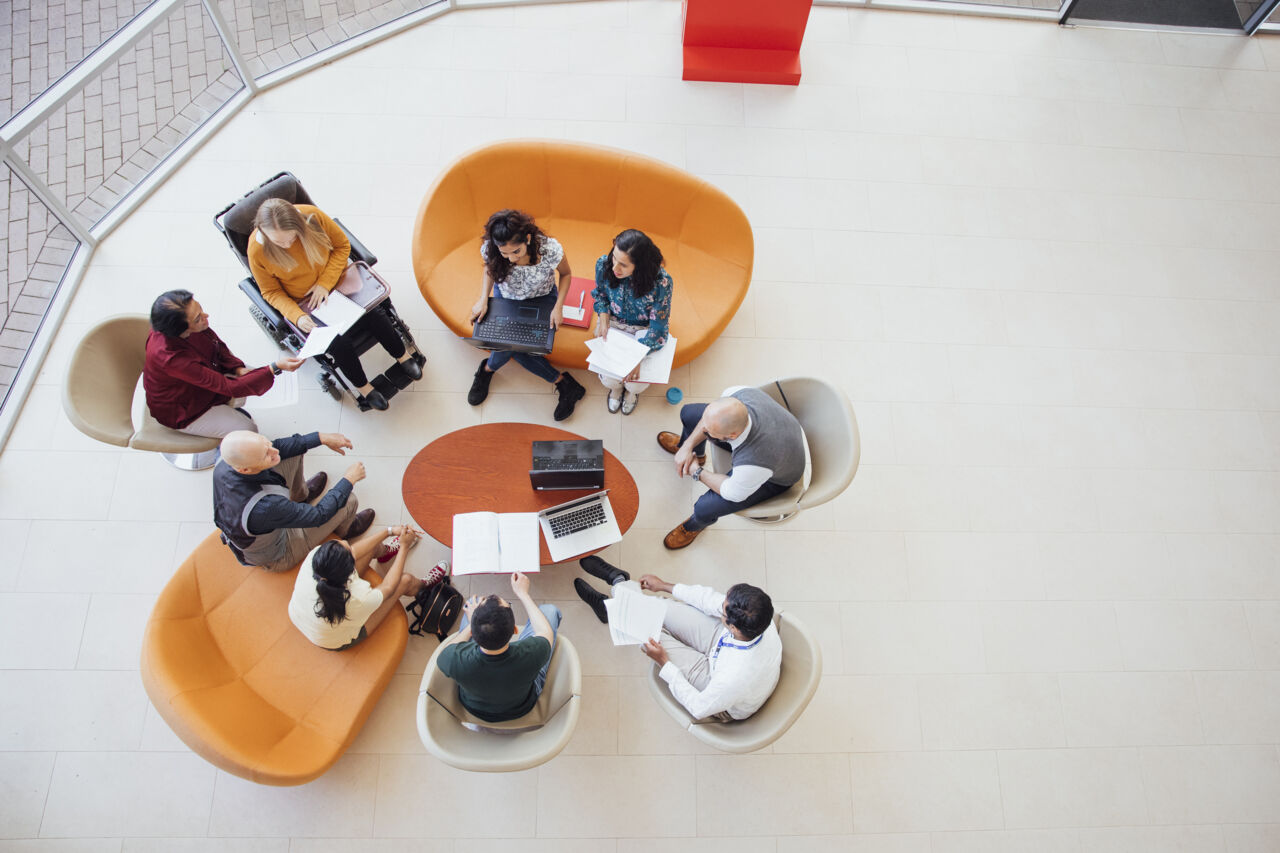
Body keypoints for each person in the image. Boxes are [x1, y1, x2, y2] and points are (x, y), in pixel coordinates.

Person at [248, 198, 422, 411]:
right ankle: (364, 388)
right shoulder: (257, 250)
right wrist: (298, 316)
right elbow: (271, 292)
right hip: (307, 303)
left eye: (291, 238)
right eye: (279, 242)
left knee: (375, 315)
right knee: (337, 344)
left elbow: (342, 247)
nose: (286, 245)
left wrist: (324, 284)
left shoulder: (313, 217)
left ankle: (402, 356)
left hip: (338, 283)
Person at [573, 555, 781, 722]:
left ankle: (609, 610)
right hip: (722, 641)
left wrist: (664, 663)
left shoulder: (732, 679)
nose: (720, 606)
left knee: (646, 635)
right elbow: (707, 599)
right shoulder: (758, 615)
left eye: (723, 610)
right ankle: (619, 584)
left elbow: (699, 707)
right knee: (658, 608)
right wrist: (664, 585)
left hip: (716, 685)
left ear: (733, 626)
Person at [466, 209, 586, 422]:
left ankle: (486, 369)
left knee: (518, 346)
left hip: (542, 299)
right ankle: (564, 383)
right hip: (506, 297)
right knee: (513, 346)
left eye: (516, 251)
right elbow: (489, 269)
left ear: (528, 239)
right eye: (505, 253)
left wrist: (558, 306)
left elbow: (566, 274)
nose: (511, 258)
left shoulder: (550, 249)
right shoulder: (491, 249)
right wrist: (483, 298)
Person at [655, 386, 806, 549]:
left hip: (777, 475)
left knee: (705, 507)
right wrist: (687, 446)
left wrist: (695, 471)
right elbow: (705, 421)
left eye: (708, 431)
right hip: (778, 435)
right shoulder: (738, 394)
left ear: (731, 436)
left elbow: (732, 492)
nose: (703, 429)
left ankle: (694, 526)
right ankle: (697, 455)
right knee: (690, 414)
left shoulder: (755, 462)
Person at [143, 289, 304, 437]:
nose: (206, 316)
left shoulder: (183, 327)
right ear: (181, 330)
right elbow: (229, 387)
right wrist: (274, 368)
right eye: (198, 318)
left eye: (201, 310)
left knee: (251, 378)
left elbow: (214, 344)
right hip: (184, 407)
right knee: (248, 429)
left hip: (198, 382)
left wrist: (236, 367)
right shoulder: (172, 359)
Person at [213, 429, 376, 573]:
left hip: (267, 518)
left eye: (266, 443)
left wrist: (321, 438)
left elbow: (280, 446)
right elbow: (318, 515)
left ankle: (302, 497)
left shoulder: (226, 461)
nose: (274, 450)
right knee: (349, 500)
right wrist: (349, 479)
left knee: (294, 451)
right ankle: (343, 531)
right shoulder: (265, 507)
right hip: (279, 551)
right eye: (265, 455)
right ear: (245, 469)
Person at [289, 523, 449, 650]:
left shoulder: (316, 557)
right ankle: (422, 586)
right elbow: (388, 588)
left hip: (301, 615)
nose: (347, 543)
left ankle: (386, 552)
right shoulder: (357, 598)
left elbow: (353, 551)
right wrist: (404, 547)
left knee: (370, 547)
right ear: (348, 574)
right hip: (332, 639)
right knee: (405, 580)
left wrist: (389, 531)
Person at [435, 572, 561, 722]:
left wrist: (472, 625)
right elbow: (544, 632)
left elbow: (446, 651)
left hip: (475, 709)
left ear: (473, 636)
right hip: (521, 706)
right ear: (515, 630)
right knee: (550, 611)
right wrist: (523, 594)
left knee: (471, 602)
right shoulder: (532, 653)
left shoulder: (454, 659)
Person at [591, 229, 674, 415]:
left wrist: (638, 354)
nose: (614, 268)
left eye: (623, 265)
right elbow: (600, 296)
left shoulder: (662, 283)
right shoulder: (604, 264)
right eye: (614, 258)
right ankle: (616, 389)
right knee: (609, 378)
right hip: (613, 322)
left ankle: (631, 393)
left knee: (636, 383)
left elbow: (658, 326)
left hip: (644, 330)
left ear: (640, 265)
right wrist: (603, 319)